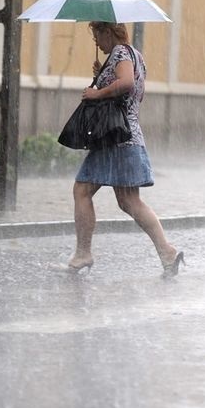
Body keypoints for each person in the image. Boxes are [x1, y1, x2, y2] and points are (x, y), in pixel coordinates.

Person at [56, 21, 184, 278]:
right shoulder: (136, 56)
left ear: (108, 32)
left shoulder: (120, 54)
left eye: (97, 36)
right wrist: (102, 75)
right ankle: (167, 252)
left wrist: (98, 92)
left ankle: (83, 253)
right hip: (129, 137)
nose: (96, 42)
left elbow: (125, 83)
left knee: (82, 190)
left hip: (114, 140)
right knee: (128, 201)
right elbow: (135, 93)